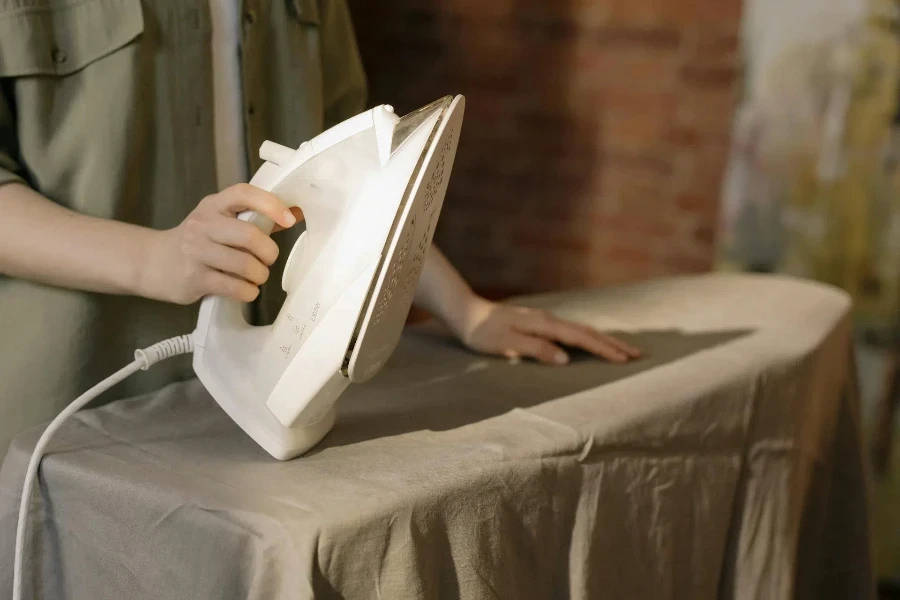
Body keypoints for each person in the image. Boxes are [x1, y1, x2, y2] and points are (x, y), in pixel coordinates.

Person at [0, 0, 639, 457]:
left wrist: (464, 309)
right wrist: (155, 259)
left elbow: (354, 171)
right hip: (74, 407)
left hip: (256, 405)